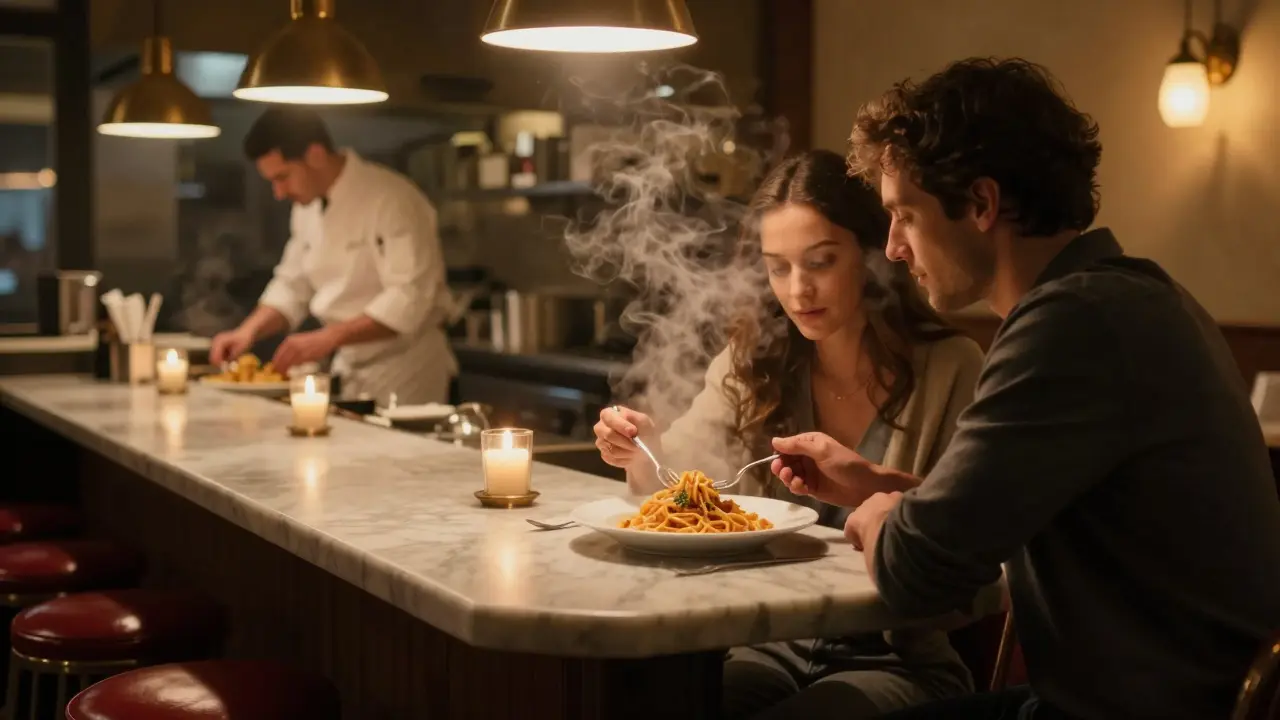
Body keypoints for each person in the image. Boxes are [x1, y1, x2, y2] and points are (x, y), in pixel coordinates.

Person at [770, 58, 1280, 720]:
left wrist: (874, 519)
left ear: (981, 204)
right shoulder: (1131, 295)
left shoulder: (1072, 324)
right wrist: (877, 484)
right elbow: (987, 518)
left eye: (906, 216)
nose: (893, 248)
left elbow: (915, 573)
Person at [594, 149, 986, 719]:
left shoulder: (951, 367)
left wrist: (871, 485)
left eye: (821, 261)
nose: (798, 289)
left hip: (895, 658)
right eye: (778, 267)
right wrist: (637, 446)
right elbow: (677, 480)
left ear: (872, 255)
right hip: (769, 644)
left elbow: (973, 537)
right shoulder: (750, 363)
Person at [209, 107, 456, 405]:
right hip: (348, 366)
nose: (278, 192)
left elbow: (409, 297)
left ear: (315, 154)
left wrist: (327, 338)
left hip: (405, 369)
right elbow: (292, 285)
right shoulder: (306, 209)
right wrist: (246, 332)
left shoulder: (392, 199)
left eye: (283, 177)